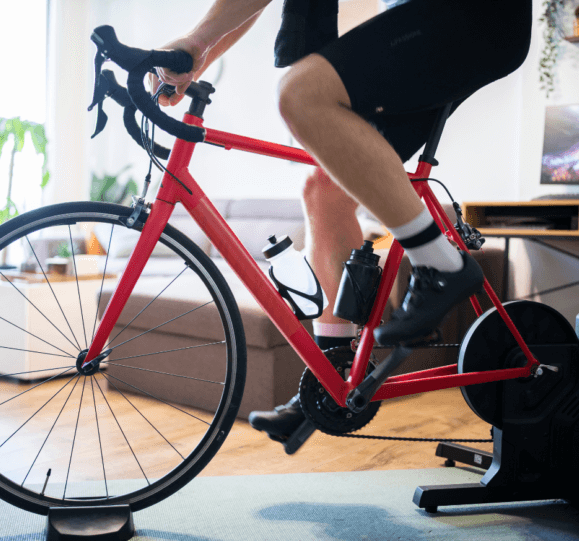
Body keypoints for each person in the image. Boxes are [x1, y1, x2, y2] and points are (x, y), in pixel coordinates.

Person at [152, 0, 532, 449]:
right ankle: (332, 380)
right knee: (324, 192)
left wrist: (197, 43)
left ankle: (440, 264)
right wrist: (198, 55)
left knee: (300, 93)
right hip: (443, 21)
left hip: (477, 15)